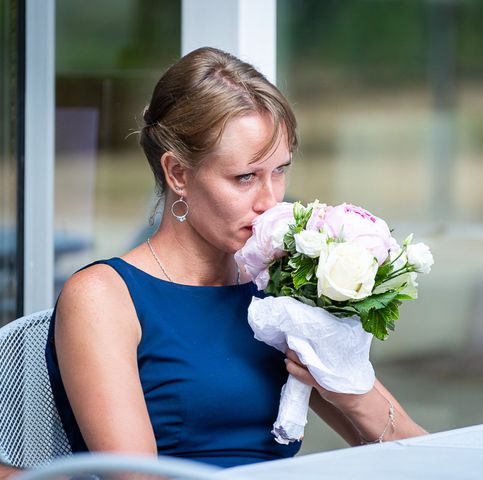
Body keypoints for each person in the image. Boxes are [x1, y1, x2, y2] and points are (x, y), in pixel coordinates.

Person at [1, 47, 426, 477]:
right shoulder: (103, 297)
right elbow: (136, 477)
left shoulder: (280, 284)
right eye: (245, 177)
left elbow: (421, 458)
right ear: (178, 174)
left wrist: (350, 387)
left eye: (280, 171)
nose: (271, 200)